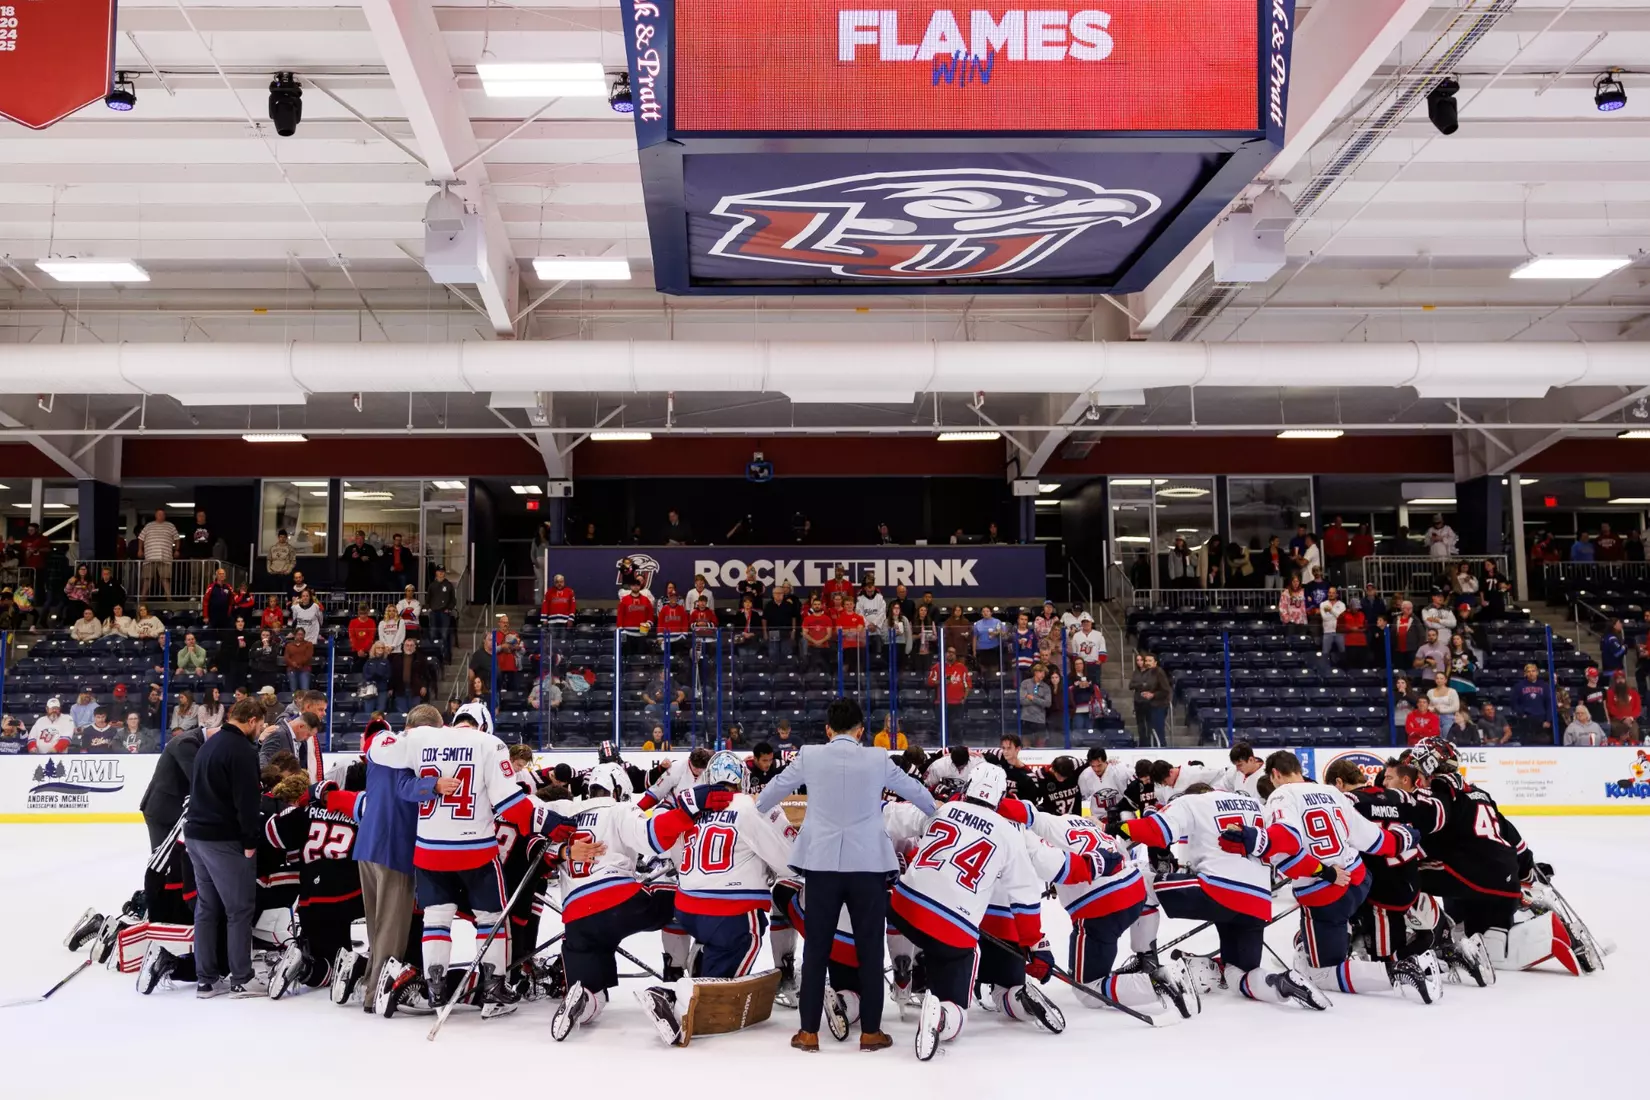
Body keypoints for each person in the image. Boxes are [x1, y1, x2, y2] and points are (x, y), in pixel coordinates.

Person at [755, 698, 936, 1052]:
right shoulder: (877, 757)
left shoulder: (809, 755)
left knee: (816, 949)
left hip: (821, 864)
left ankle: (808, 1033)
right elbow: (916, 793)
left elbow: (773, 791)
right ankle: (871, 1032)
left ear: (827, 729)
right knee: (870, 950)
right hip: (868, 865)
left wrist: (756, 804)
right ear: (861, 731)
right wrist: (939, 808)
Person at [1242, 751, 1438, 1003]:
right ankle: (1343, 933)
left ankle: (1396, 971)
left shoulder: (1280, 795)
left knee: (1321, 972)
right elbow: (1372, 839)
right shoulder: (1332, 792)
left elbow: (1286, 848)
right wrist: (1405, 838)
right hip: (1359, 881)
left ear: (1275, 774)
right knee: (1337, 917)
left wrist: (1256, 842)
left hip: (1325, 892)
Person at [184, 698, 268, 996]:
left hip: (195, 835)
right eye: (260, 725)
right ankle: (242, 978)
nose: (260, 731)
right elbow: (247, 802)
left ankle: (206, 979)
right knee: (239, 908)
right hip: (223, 839)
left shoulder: (210, 744)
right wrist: (249, 842)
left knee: (207, 907)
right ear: (253, 720)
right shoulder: (243, 751)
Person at [1130, 653, 1172, 747]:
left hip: (1160, 705)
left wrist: (1153, 695)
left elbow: (1166, 690)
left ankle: (1162, 749)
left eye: (1150, 661)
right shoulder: (1149, 673)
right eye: (1146, 661)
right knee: (1151, 730)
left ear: (1155, 662)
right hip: (1151, 705)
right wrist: (1147, 693)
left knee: (1158, 730)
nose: (1147, 663)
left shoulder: (1159, 672)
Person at [139, 509, 179, 599]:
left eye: (162, 514)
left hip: (165, 556)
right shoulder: (149, 525)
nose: (161, 516)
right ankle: (142, 599)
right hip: (150, 556)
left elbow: (177, 538)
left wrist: (177, 549)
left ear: (165, 516)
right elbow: (141, 538)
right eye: (159, 514)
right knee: (147, 579)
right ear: (155, 515)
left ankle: (169, 598)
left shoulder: (170, 526)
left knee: (165, 578)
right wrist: (140, 550)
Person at [1511, 663, 1552, 744]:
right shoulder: (1519, 686)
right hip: (1526, 720)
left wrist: (1548, 720)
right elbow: (1514, 703)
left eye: (1533, 671)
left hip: (1541, 720)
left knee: (1542, 744)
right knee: (1526, 744)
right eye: (1528, 671)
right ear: (1525, 673)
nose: (1531, 673)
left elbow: (1549, 704)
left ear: (1537, 672)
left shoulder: (1544, 686)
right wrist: (1521, 714)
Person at [426, 565, 458, 662]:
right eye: (439, 571)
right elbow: (428, 599)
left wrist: (449, 608)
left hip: (444, 614)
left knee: (445, 635)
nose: (441, 573)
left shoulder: (448, 585)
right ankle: (435, 657)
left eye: (442, 571)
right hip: (434, 613)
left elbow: (453, 600)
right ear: (436, 573)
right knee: (433, 635)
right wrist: (429, 608)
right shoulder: (432, 585)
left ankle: (446, 657)